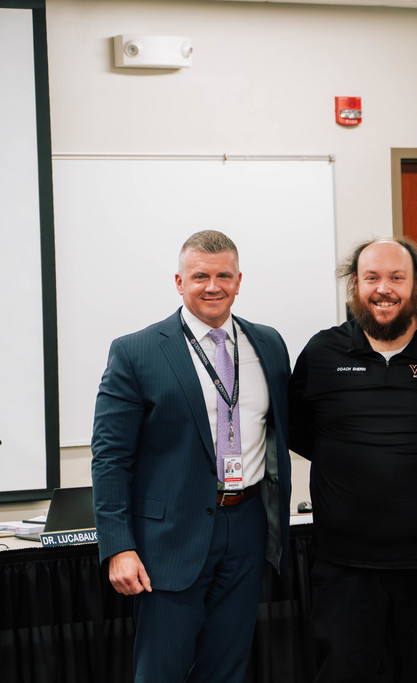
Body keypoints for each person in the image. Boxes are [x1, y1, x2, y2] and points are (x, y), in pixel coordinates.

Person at [91, 230, 292, 683]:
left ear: (239, 281)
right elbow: (110, 458)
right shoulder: (137, 351)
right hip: (169, 538)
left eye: (223, 275)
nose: (212, 286)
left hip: (246, 528)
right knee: (161, 670)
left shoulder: (269, 344)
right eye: (199, 275)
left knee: (228, 666)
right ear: (179, 282)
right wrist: (118, 546)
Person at [288, 237, 417, 683]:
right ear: (354, 285)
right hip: (344, 565)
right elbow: (301, 430)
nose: (384, 289)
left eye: (397, 277)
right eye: (371, 277)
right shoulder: (322, 354)